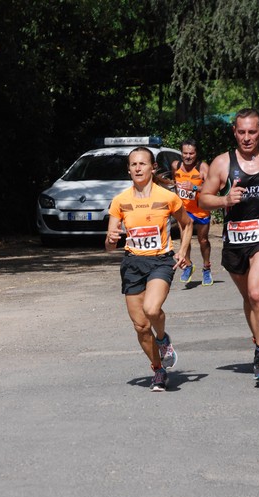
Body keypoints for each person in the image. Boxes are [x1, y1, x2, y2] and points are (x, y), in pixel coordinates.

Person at [199, 107, 259, 382]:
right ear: (234, 132)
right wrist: (224, 200)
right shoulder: (222, 164)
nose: (247, 138)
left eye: (252, 132)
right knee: (248, 299)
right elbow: (204, 198)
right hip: (235, 237)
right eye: (242, 132)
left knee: (256, 294)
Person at [105, 146, 193, 392]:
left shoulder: (167, 197)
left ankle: (163, 340)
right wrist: (111, 240)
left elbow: (187, 224)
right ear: (129, 170)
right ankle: (158, 370)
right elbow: (109, 245)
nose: (138, 168)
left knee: (152, 309)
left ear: (152, 168)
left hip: (160, 261)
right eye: (133, 164)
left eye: (142, 164)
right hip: (133, 263)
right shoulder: (120, 201)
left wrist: (183, 251)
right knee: (141, 327)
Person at [171, 139, 212, 285]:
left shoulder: (203, 167)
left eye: (191, 153)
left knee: (203, 241)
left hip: (201, 210)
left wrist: (194, 188)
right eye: (185, 153)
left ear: (196, 154)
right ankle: (188, 265)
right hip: (185, 210)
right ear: (181, 153)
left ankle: (206, 267)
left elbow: (211, 188)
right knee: (185, 239)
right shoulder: (176, 166)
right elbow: (175, 184)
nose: (188, 156)